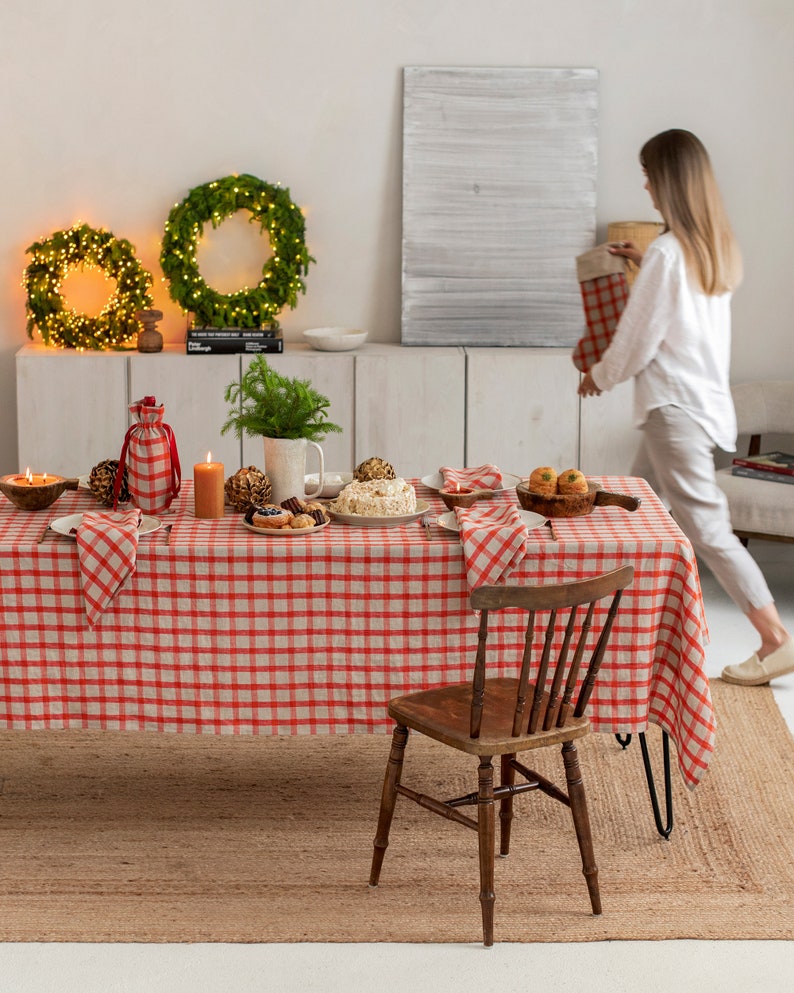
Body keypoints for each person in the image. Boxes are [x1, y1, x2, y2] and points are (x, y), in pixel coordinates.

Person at [578, 128, 793, 687]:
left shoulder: (670, 256)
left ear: (669, 181)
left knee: (706, 528)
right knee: (629, 509)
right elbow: (679, 308)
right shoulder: (707, 249)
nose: (646, 186)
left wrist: (597, 377)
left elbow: (637, 338)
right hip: (696, 408)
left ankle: (775, 639)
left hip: (674, 412)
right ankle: (613, 623)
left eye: (650, 174)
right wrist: (646, 262)